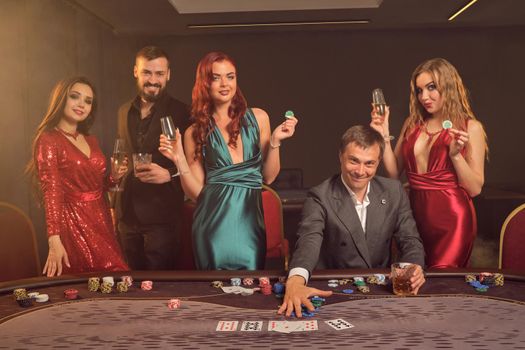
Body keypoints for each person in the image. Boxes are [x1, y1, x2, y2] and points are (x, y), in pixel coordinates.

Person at [159, 51, 298, 270]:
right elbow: (196, 193)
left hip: (250, 227)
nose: (225, 84)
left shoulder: (259, 118)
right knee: (215, 297)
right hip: (212, 229)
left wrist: (275, 141)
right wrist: (178, 159)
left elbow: (269, 177)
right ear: (205, 83)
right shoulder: (194, 132)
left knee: (250, 295)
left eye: (230, 76)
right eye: (216, 78)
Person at [278, 125, 425, 317]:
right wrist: (296, 281)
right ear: (340, 156)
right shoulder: (320, 195)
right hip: (334, 291)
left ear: (379, 161)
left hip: (380, 290)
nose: (360, 171)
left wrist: (410, 271)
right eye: (354, 161)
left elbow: (411, 240)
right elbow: (308, 241)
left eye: (369, 163)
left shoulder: (394, 191)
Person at [370, 58, 487, 268]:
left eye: (431, 87)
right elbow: (395, 173)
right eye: (419, 90)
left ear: (448, 86)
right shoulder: (412, 124)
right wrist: (384, 133)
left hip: (452, 219)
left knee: (442, 281)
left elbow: (475, 188)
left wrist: (455, 155)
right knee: (414, 280)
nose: (424, 96)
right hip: (413, 217)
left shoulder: (471, 127)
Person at [26, 77, 129, 277]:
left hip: (101, 220)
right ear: (61, 99)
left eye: (88, 101)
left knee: (117, 280)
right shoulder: (48, 139)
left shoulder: (91, 139)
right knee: (83, 284)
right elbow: (52, 189)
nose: (81, 104)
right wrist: (54, 238)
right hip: (72, 222)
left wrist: (114, 177)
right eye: (75, 97)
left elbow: (97, 186)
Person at [115, 46, 190, 270]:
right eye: (147, 72)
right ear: (135, 72)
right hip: (126, 216)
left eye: (159, 74)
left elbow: (198, 167)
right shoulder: (123, 111)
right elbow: (122, 155)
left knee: (158, 289)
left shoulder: (184, 112)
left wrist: (170, 174)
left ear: (168, 75)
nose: (153, 80)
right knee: (130, 286)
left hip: (163, 219)